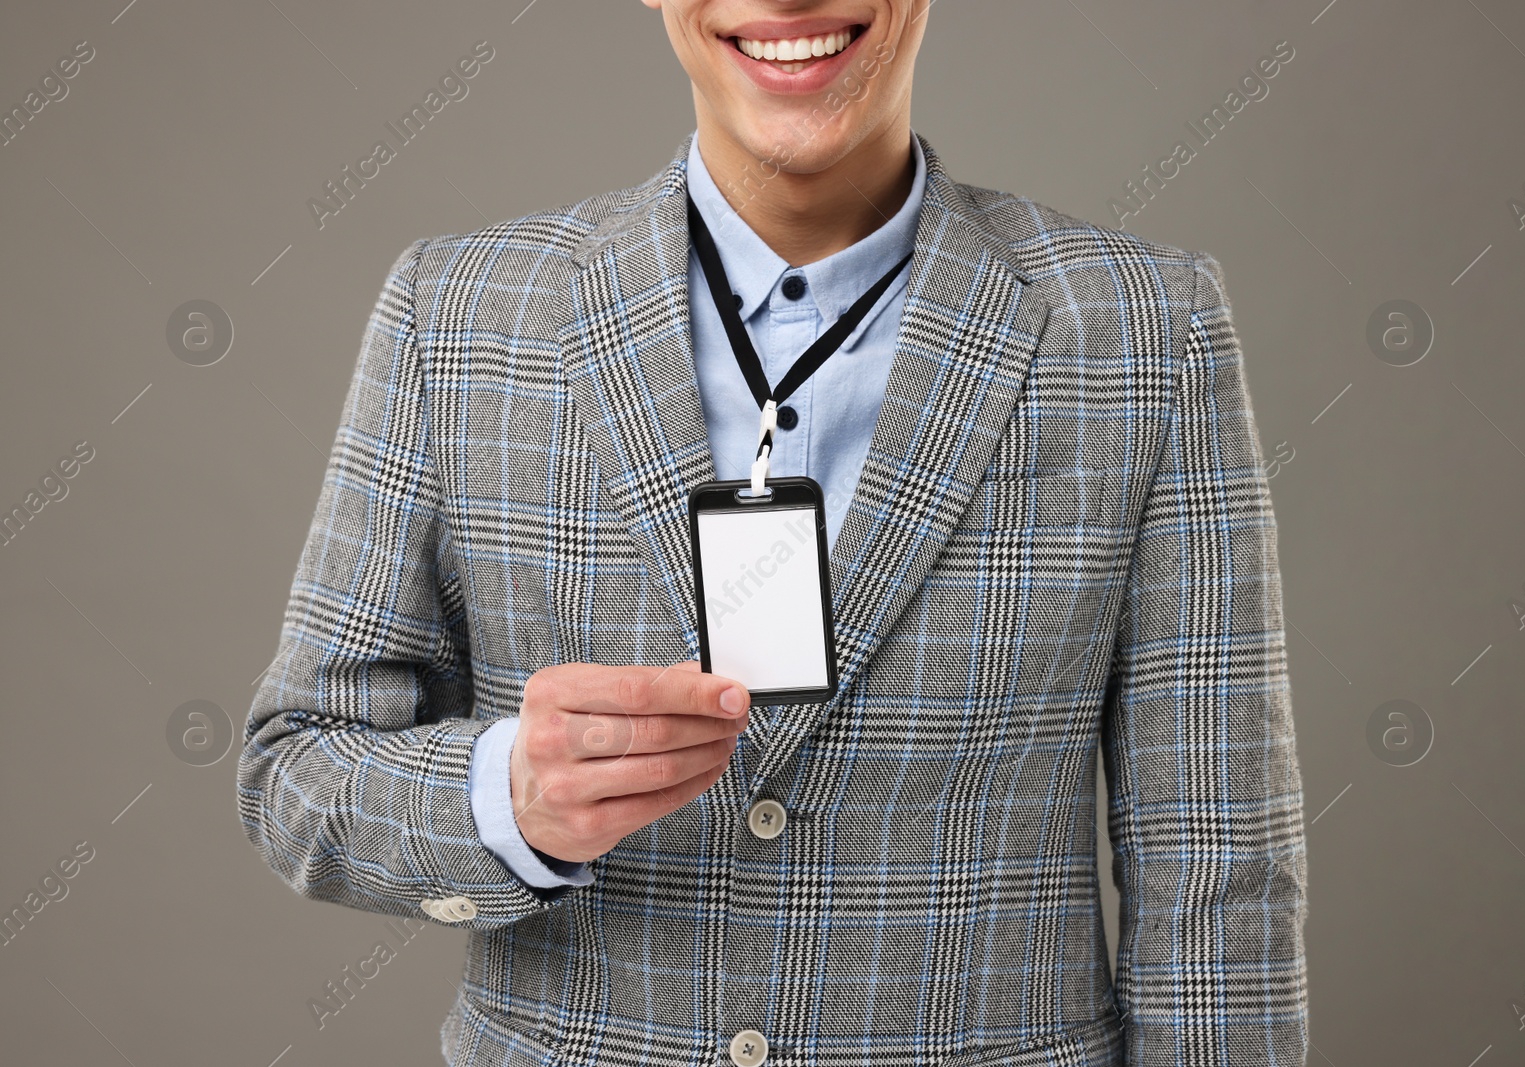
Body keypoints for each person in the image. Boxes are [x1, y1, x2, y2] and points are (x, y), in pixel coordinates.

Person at [237, 2, 1309, 1064]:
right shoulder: (459, 313)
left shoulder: (1146, 329)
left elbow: (1216, 862)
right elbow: (300, 772)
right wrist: (506, 797)